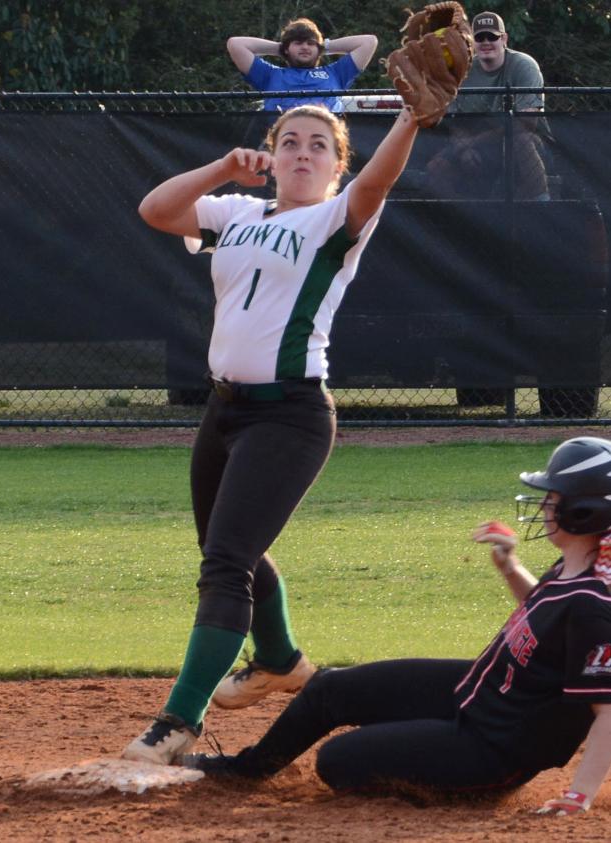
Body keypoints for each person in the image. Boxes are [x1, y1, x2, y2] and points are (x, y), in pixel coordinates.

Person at [122, 104, 423, 765]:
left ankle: (178, 719)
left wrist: (409, 120)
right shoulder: (235, 212)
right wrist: (225, 168)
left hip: (290, 414)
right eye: (288, 142)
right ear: (271, 155)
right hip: (224, 409)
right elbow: (155, 209)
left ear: (335, 163)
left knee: (224, 563)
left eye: (319, 145)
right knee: (230, 548)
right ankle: (281, 659)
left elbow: (375, 184)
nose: (302, 153)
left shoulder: (334, 219)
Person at [182, 436, 611, 816]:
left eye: (553, 498)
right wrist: (509, 566)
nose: (543, 505)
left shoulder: (593, 605)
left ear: (586, 513)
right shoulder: (574, 573)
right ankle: (249, 770)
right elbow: (545, 616)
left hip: (493, 747)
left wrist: (578, 796)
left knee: (339, 761)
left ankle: (460, 787)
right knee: (328, 690)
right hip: (476, 692)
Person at [426, 11, 550, 200]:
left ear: (504, 39)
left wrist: (473, 142)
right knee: (435, 168)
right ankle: (457, 218)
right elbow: (453, 122)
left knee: (523, 141)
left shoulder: (524, 65)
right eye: (479, 36)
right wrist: (464, 148)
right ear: (472, 41)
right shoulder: (461, 71)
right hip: (476, 147)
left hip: (522, 143)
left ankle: (543, 205)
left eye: (492, 36)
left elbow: (526, 122)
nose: (485, 41)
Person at [227, 19, 378, 114]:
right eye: (298, 43)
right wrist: (281, 49)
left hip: (325, 145)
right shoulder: (269, 75)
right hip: (283, 146)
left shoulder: (336, 73)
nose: (305, 47)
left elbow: (369, 42)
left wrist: (322, 47)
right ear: (287, 48)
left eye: (310, 43)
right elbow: (235, 44)